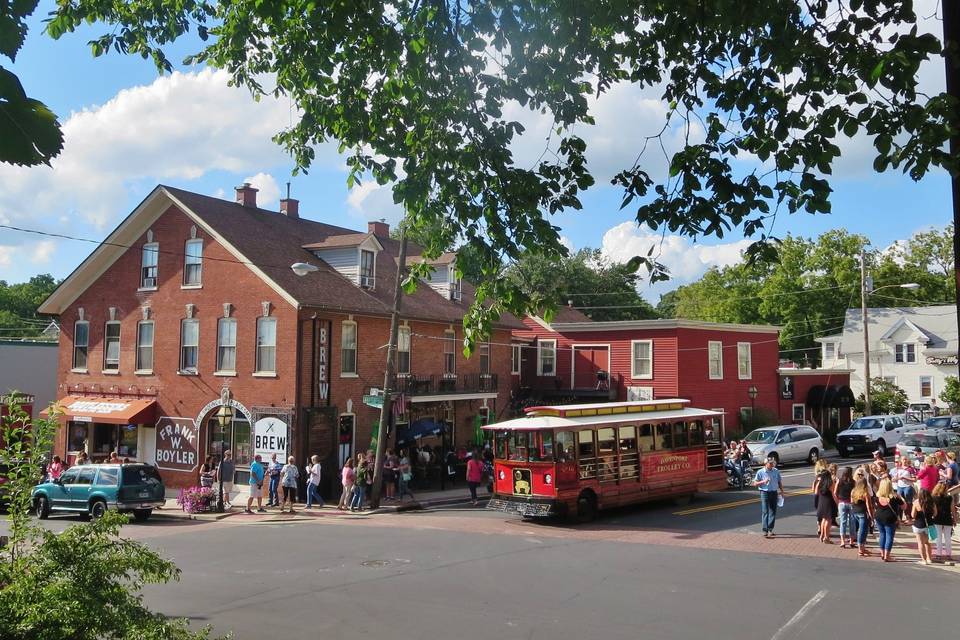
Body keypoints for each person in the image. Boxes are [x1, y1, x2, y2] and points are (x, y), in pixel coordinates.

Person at [753, 457, 784, 538]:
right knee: (765, 511)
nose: (772, 464)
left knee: (773, 511)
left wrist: (781, 491)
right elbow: (755, 483)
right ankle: (765, 530)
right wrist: (763, 481)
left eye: (772, 463)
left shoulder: (776, 471)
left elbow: (779, 481)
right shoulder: (760, 472)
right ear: (765, 464)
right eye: (770, 463)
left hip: (774, 492)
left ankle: (770, 529)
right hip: (764, 492)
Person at [874, 479, 903, 562]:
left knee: (882, 534)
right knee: (889, 536)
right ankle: (887, 556)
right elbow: (904, 506)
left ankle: (882, 554)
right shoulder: (894, 497)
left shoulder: (878, 496)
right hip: (890, 518)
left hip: (879, 516)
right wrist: (900, 497)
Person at [850, 471, 874, 557]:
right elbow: (869, 506)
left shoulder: (853, 491)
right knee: (863, 532)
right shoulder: (865, 493)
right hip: (863, 514)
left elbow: (851, 502)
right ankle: (860, 549)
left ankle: (862, 547)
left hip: (855, 512)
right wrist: (871, 517)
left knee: (858, 530)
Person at [931, 483, 956, 562]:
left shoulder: (933, 498)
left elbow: (933, 510)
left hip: (937, 518)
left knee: (938, 537)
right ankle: (948, 554)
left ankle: (938, 554)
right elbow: (953, 510)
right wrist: (954, 519)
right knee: (948, 537)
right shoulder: (950, 498)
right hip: (947, 518)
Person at [813, 460, 836, 543]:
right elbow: (834, 494)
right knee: (828, 520)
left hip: (821, 502)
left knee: (823, 519)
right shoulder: (830, 483)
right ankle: (826, 537)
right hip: (829, 502)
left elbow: (815, 492)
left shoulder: (819, 483)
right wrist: (837, 502)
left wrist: (816, 502)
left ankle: (822, 536)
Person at [912, 489, 937, 565]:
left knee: (920, 543)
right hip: (928, 525)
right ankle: (929, 558)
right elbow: (935, 513)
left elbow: (913, 515)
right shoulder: (932, 503)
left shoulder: (916, 502)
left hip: (919, 525)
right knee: (927, 543)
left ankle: (924, 560)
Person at [834, 467, 855, 549]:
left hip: (842, 503)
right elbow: (855, 492)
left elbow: (835, 492)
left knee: (843, 522)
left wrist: (838, 500)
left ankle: (842, 541)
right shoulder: (853, 482)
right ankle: (851, 541)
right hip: (851, 503)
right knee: (852, 522)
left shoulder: (839, 480)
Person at [893, 457, 916, 524]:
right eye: (903, 459)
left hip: (908, 486)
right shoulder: (899, 468)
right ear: (901, 460)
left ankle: (909, 518)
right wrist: (895, 479)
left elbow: (914, 479)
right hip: (900, 486)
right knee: (899, 502)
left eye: (906, 459)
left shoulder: (910, 469)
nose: (905, 460)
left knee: (908, 502)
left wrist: (904, 477)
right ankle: (899, 518)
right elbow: (896, 478)